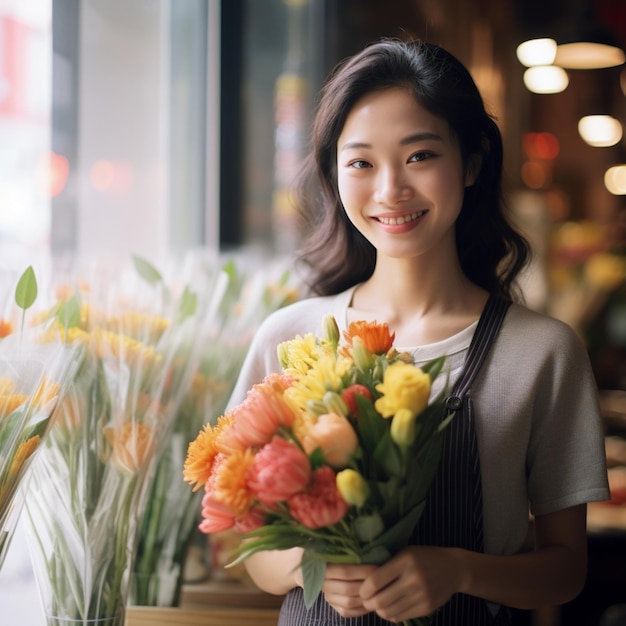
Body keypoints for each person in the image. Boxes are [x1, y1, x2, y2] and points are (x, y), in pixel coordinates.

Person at [226, 38, 610, 626]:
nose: (389, 191)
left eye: (419, 155)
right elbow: (243, 543)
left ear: (473, 162)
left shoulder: (542, 353)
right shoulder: (290, 336)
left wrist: (460, 571)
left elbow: (566, 569)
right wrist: (317, 566)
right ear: (335, 173)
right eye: (361, 162)